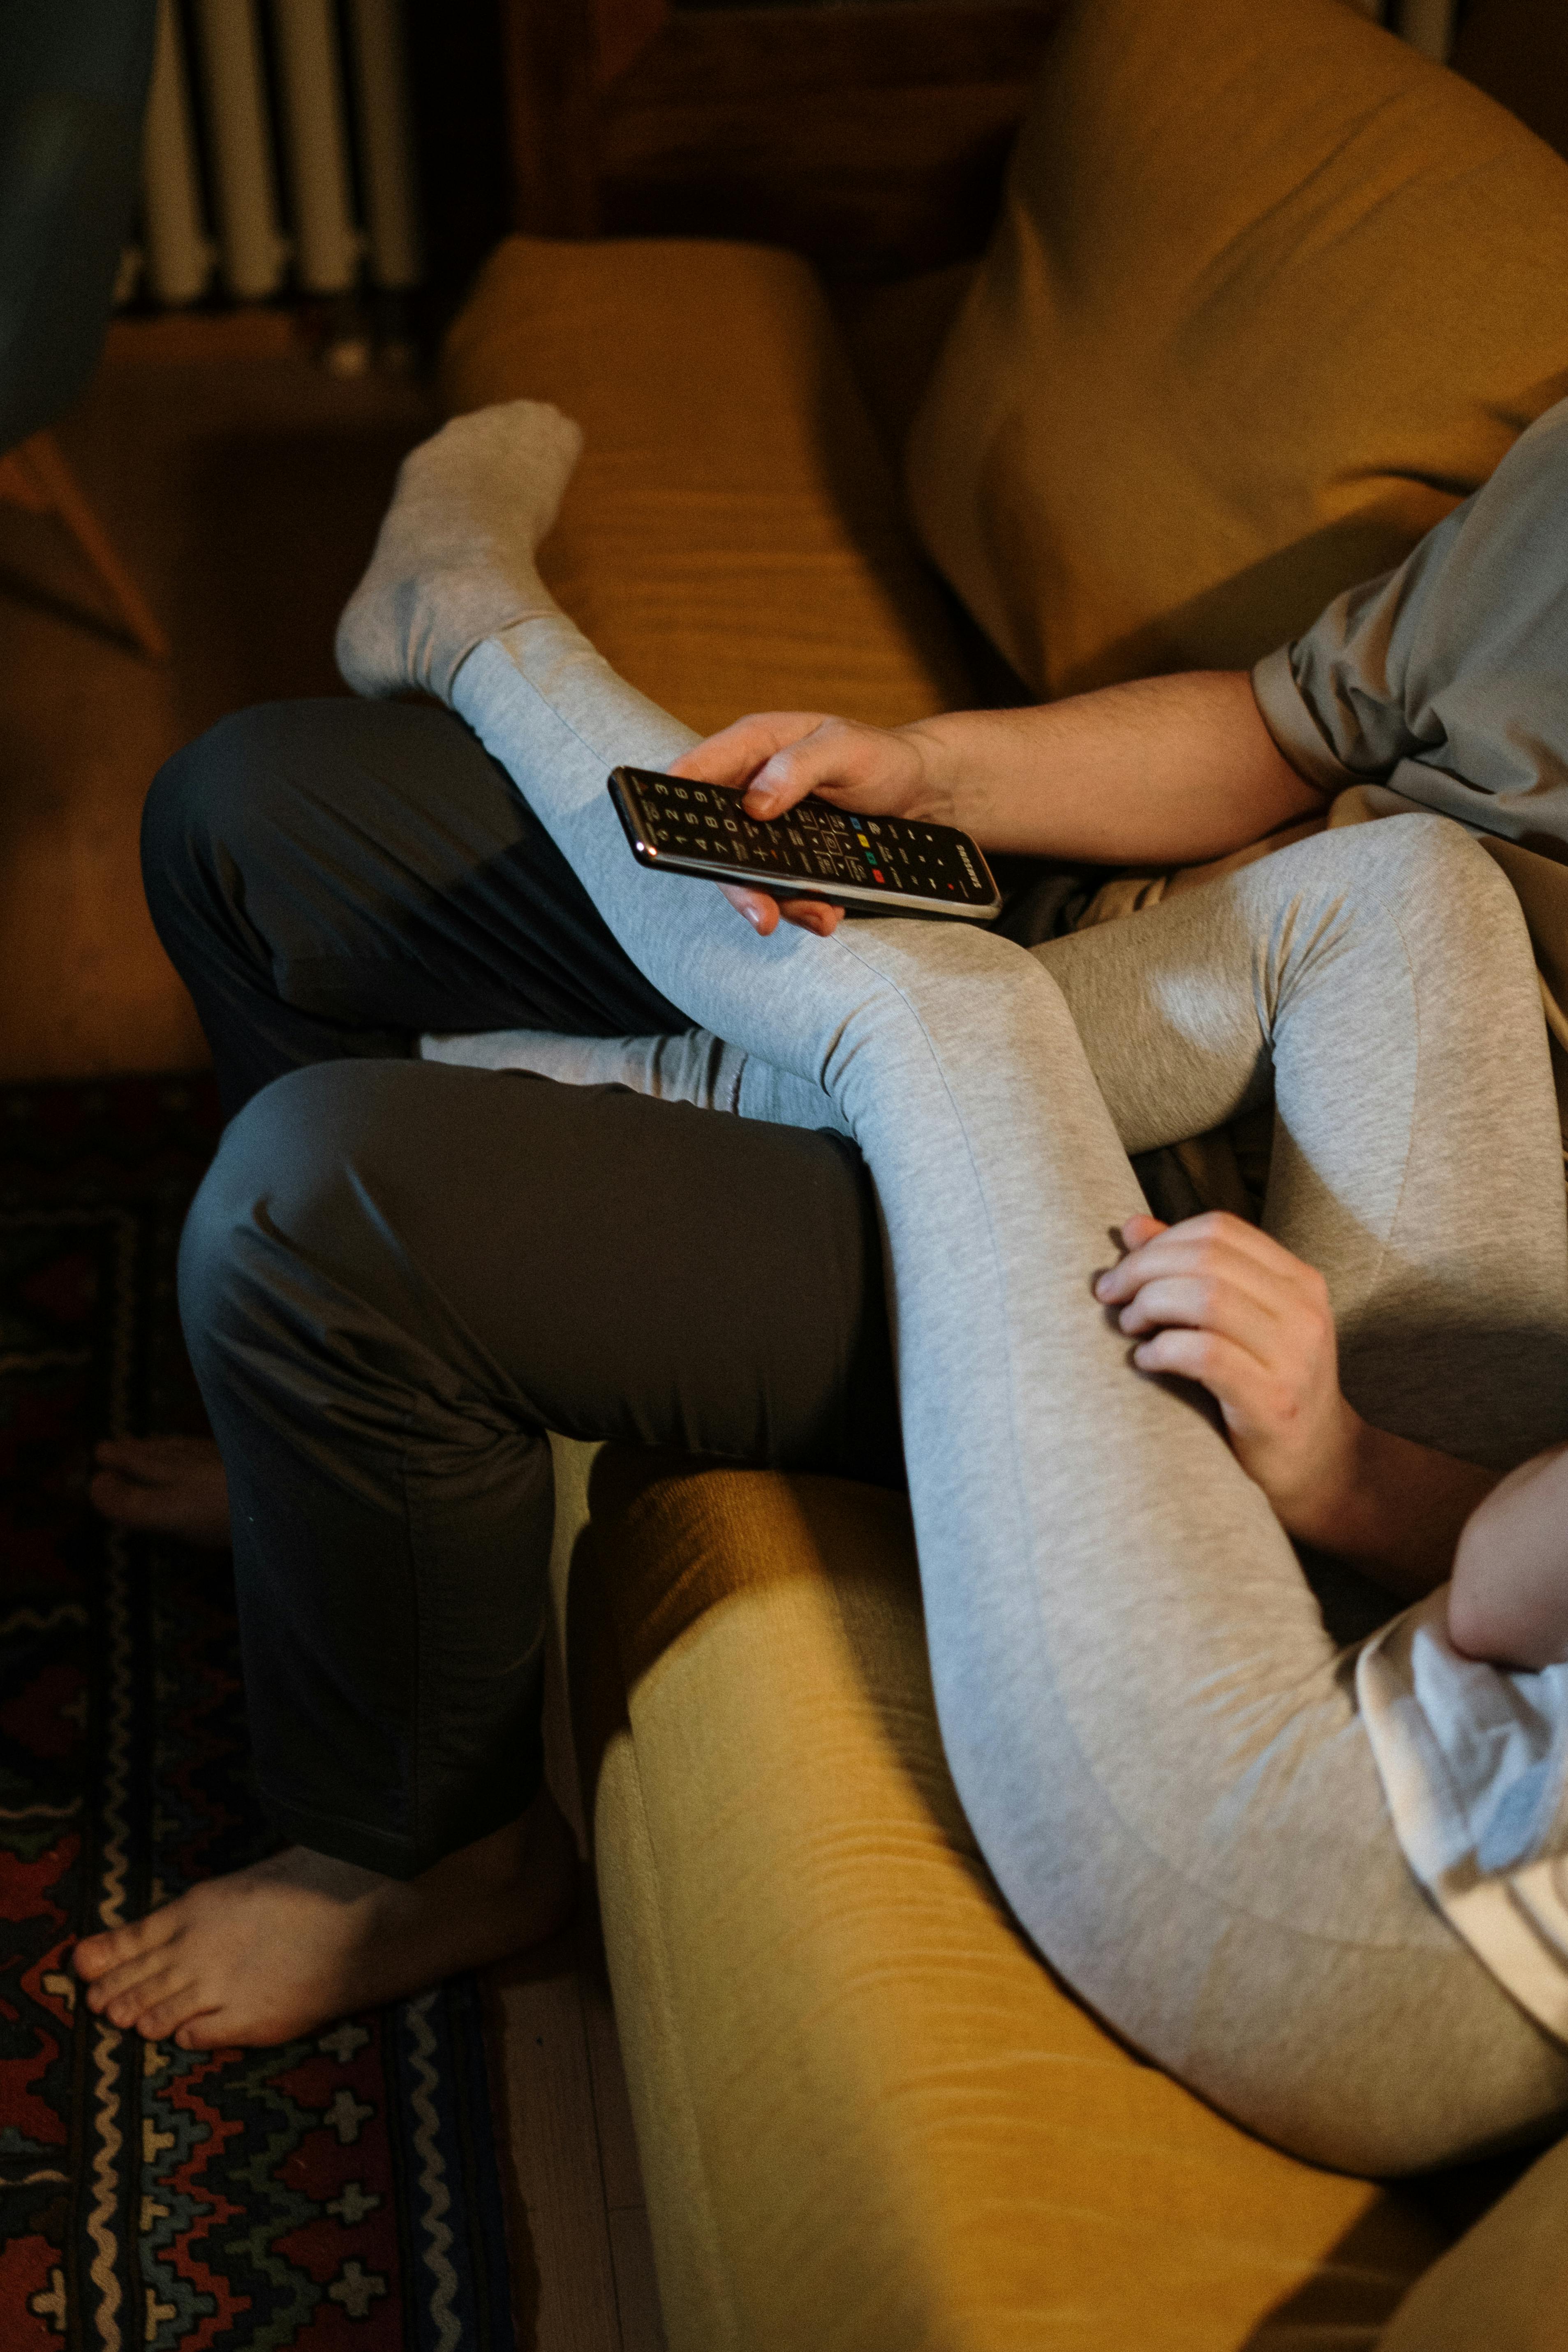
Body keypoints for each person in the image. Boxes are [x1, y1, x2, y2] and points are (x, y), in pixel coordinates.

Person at [76, 399, 1568, 2176]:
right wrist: (931, 774)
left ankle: (474, 625)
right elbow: (1288, 727)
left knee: (336, 1198)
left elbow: (1503, 1575)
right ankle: (345, 1453)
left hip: (1353, 1690)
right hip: (1212, 1017)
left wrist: (1347, 1469)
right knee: (250, 822)